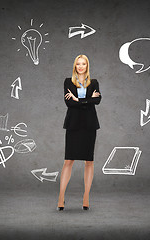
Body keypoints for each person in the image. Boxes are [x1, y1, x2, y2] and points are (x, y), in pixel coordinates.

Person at [57, 54, 102, 211]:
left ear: (87, 66)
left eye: (83, 63)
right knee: (68, 160)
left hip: (89, 126)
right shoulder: (68, 82)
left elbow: (97, 100)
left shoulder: (94, 82)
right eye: (78, 64)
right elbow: (68, 102)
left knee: (89, 161)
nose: (81, 66)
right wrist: (84, 101)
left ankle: (86, 196)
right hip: (73, 125)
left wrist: (78, 100)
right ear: (75, 66)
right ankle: (61, 197)